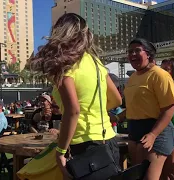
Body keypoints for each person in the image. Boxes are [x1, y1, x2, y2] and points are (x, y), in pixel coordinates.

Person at [28, 13, 122, 179]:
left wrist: (61, 152)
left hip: (83, 144)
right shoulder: (95, 61)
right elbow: (116, 100)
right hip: (108, 140)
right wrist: (93, 111)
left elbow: (73, 111)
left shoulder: (63, 65)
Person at [124, 38, 174, 179]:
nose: (132, 54)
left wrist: (153, 134)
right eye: (130, 51)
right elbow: (133, 105)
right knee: (138, 176)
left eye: (137, 50)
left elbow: (169, 107)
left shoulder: (160, 75)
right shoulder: (133, 77)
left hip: (157, 131)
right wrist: (116, 117)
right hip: (135, 131)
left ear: (148, 54)